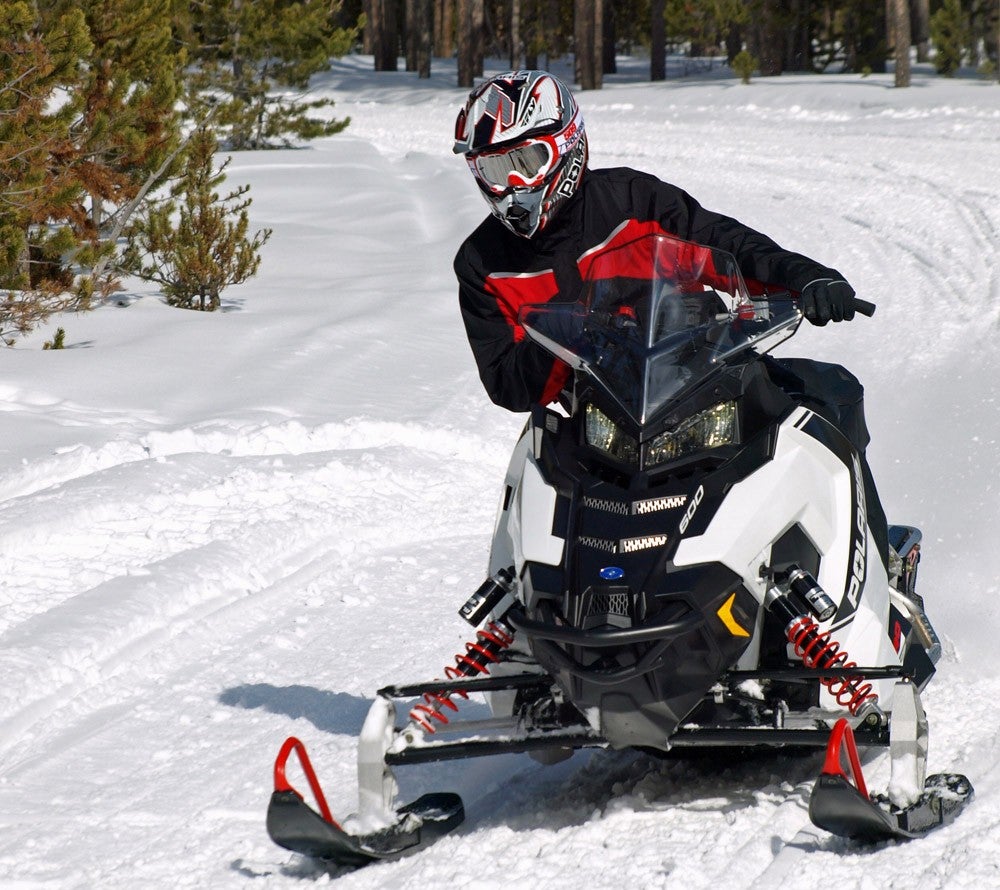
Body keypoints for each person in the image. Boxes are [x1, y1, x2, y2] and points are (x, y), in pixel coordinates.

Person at [452, 70, 891, 570]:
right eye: (491, 169)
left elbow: (726, 245)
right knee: (532, 462)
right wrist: (568, 331)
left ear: (567, 147)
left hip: (703, 385)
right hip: (597, 420)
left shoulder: (633, 202)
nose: (510, 185)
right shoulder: (482, 263)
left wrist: (809, 279)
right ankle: (520, 599)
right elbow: (507, 383)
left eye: (524, 161)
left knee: (830, 398)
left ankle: (875, 569)